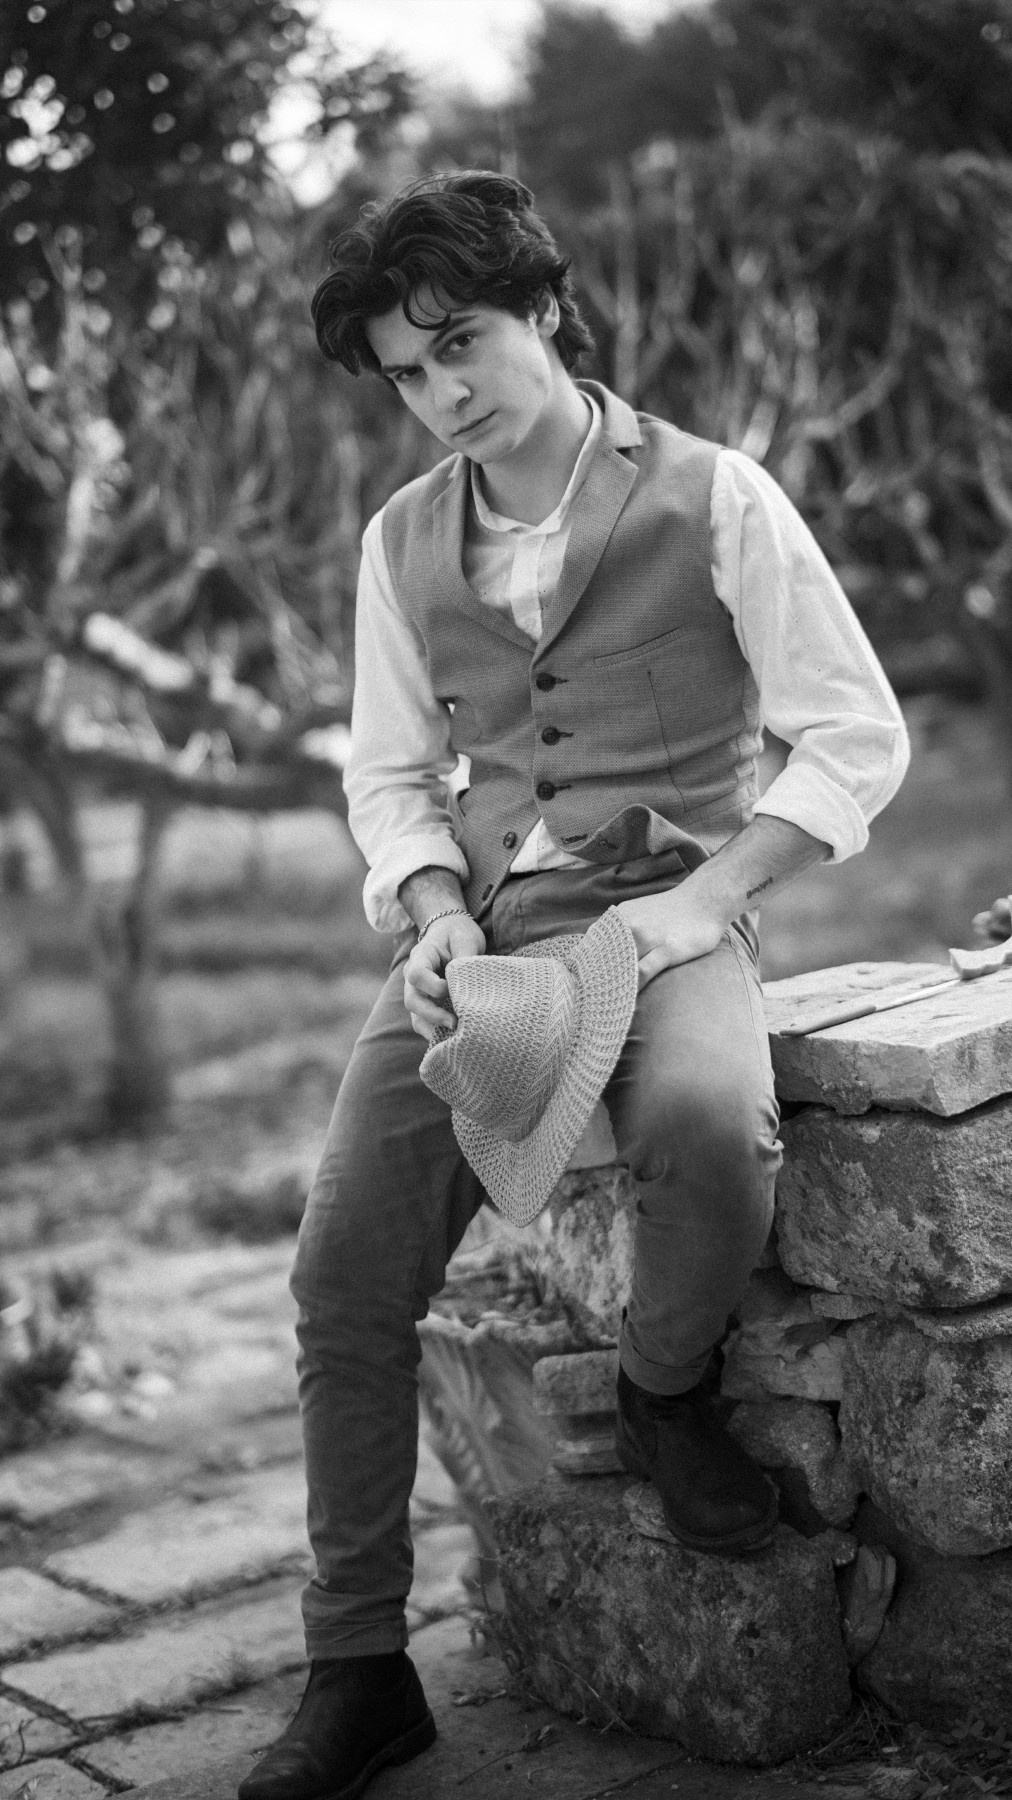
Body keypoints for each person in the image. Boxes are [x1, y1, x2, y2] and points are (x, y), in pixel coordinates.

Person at [240, 170, 909, 1800]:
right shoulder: (402, 540)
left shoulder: (715, 495)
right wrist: (428, 912)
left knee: (711, 1126)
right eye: (407, 372)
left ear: (543, 308)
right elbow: (391, 774)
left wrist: (709, 900)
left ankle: (665, 1392)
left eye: (461, 342)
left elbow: (856, 735)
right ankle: (356, 1665)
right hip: (482, 932)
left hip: (667, 906)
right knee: (340, 1271)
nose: (442, 393)